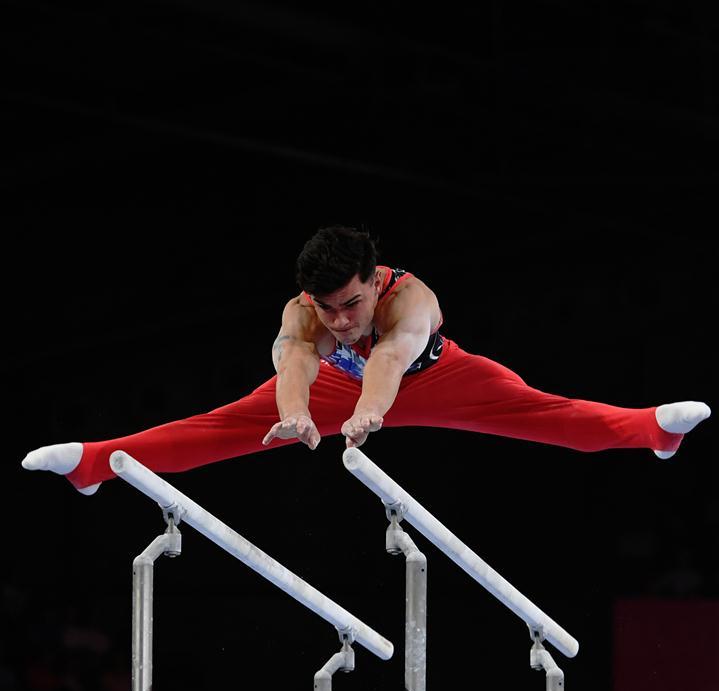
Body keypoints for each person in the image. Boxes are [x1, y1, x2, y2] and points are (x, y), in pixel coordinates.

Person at [22, 225, 710, 495]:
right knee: (219, 423)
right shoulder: (305, 315)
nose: (340, 318)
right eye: (327, 309)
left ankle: (654, 431)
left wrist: (370, 413)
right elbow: (292, 363)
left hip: (439, 379)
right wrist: (294, 414)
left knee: (547, 413)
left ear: (376, 279)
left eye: (350, 303)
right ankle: (93, 464)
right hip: (332, 391)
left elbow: (387, 359)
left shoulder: (408, 301)